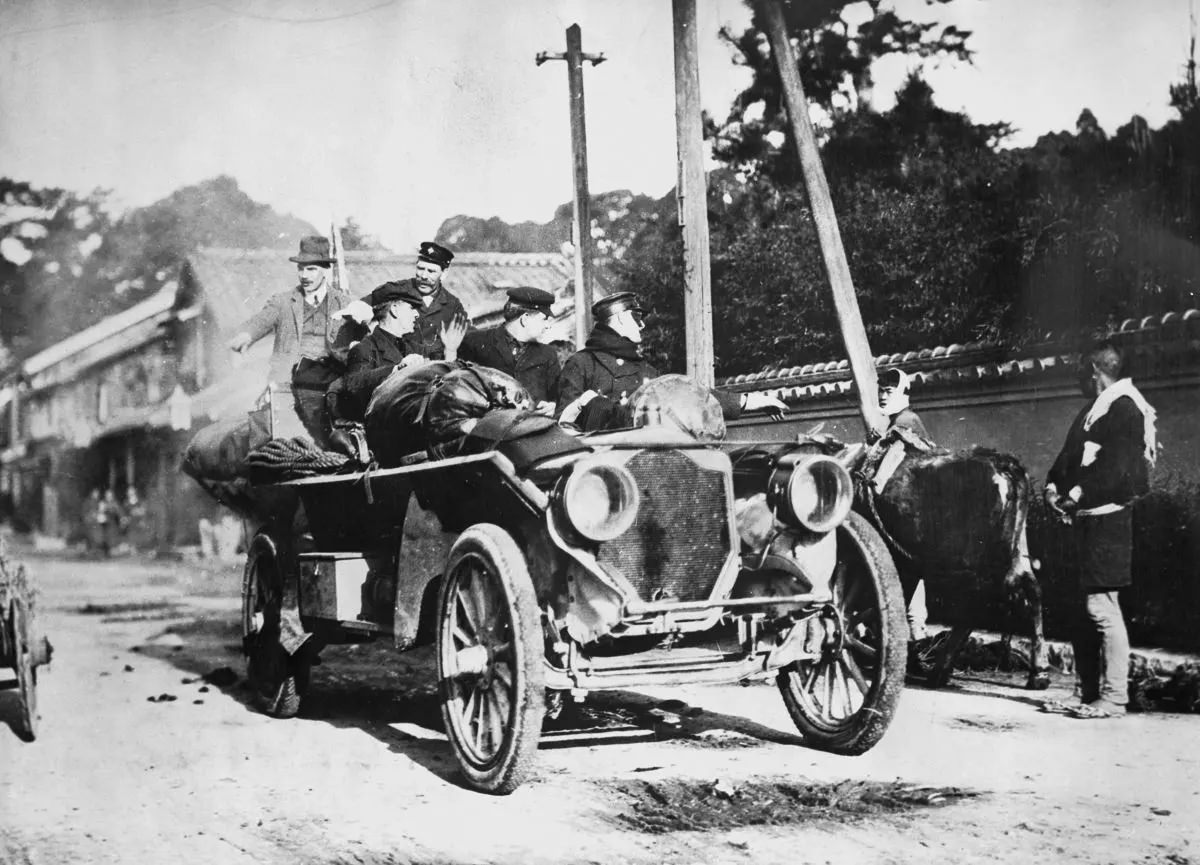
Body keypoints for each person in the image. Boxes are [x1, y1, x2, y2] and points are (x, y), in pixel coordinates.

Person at [1045, 339, 1156, 719]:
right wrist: (1052, 486)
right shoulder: (1092, 411)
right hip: (1085, 521)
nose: (1077, 377)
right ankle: (1086, 691)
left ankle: (1114, 697)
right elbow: (1067, 457)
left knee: (1101, 606)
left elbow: (1118, 468)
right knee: (1081, 609)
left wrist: (1075, 494)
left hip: (1109, 521)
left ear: (1094, 369)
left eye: (1080, 369)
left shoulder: (1126, 409)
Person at [557, 292, 785, 432]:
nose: (642, 326)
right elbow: (564, 427)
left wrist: (750, 401)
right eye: (637, 318)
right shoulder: (581, 364)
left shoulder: (645, 369)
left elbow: (689, 396)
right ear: (619, 320)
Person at [228, 235, 357, 441]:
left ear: (325, 269)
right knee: (265, 444)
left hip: (331, 390)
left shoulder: (345, 304)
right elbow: (262, 320)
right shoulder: (283, 302)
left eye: (311, 269)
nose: (304, 275)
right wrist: (246, 335)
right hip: (288, 388)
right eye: (301, 268)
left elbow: (366, 337)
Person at [342, 282, 464, 412]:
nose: (417, 314)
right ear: (394, 310)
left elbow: (444, 384)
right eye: (412, 308)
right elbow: (353, 386)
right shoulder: (365, 348)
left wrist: (450, 350)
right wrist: (396, 369)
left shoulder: (417, 348)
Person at [877, 367, 932, 641]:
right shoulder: (896, 422)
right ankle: (915, 639)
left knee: (908, 573)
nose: (882, 396)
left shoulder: (906, 421)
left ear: (901, 393)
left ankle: (917, 638)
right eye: (881, 391)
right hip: (906, 513)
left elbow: (882, 479)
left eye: (888, 391)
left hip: (909, 513)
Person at [458, 286, 561, 415]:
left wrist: (553, 406)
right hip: (488, 428)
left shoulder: (548, 354)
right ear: (525, 319)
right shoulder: (476, 343)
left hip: (533, 429)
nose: (548, 325)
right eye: (544, 319)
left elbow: (558, 397)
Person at [359, 241, 468, 361]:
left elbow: (464, 337)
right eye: (420, 268)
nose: (424, 276)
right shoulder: (397, 291)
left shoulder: (452, 305)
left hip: (435, 369)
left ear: (444, 274)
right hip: (396, 365)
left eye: (431, 271)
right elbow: (360, 308)